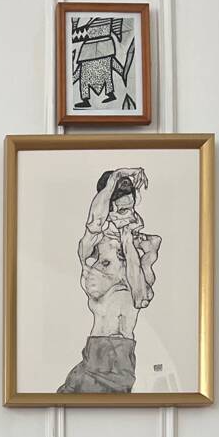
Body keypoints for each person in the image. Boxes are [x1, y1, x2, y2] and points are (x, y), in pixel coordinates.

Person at [59, 167, 161, 396]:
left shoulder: (145, 247)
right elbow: (94, 221)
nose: (127, 214)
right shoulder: (94, 248)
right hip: (98, 354)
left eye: (130, 207)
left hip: (124, 358)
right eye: (119, 209)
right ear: (108, 209)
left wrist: (128, 243)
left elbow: (140, 296)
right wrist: (116, 178)